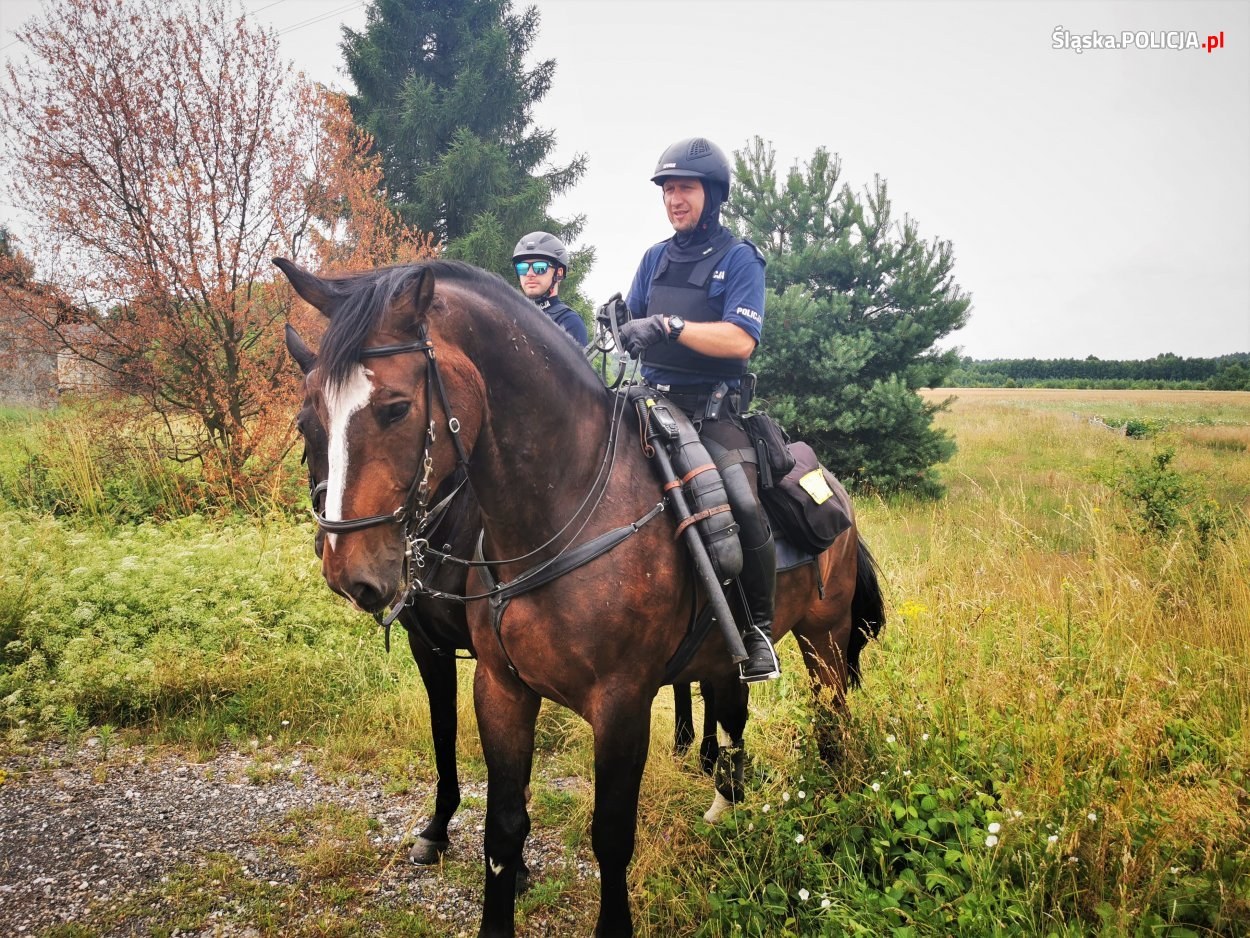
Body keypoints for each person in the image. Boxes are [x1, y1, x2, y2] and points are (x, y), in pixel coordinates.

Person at [617, 137, 781, 684]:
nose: (673, 199)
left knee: (743, 505)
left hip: (715, 415)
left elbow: (740, 341)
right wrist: (623, 323)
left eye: (684, 188)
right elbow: (634, 331)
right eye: (667, 189)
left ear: (712, 195)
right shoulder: (654, 259)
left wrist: (670, 326)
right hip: (650, 406)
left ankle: (757, 628)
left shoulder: (740, 258)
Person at [512, 231, 588, 346]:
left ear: (559, 273)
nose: (530, 273)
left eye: (540, 267)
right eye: (522, 268)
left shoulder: (569, 322)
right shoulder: (511, 316)